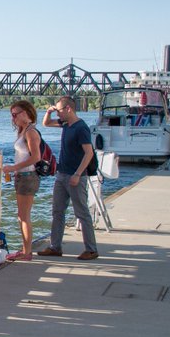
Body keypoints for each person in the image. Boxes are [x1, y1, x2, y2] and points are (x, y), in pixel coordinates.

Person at [38, 96, 98, 260]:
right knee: (57, 211)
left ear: (68, 109)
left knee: (82, 212)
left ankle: (91, 249)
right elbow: (46, 124)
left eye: (59, 110)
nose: (58, 113)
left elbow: (89, 153)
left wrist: (78, 174)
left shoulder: (81, 128)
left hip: (75, 176)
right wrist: (49, 112)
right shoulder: (65, 124)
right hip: (61, 174)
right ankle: (55, 246)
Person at [0, 100, 42, 262]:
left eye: (15, 114)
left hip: (28, 177)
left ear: (26, 113)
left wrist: (13, 167)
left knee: (24, 215)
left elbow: (35, 157)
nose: (13, 117)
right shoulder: (22, 131)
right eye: (12, 114)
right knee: (21, 215)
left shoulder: (31, 132)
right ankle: (25, 249)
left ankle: (27, 252)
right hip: (21, 176)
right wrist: (14, 169)